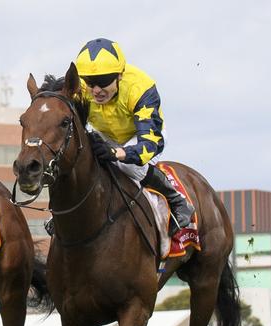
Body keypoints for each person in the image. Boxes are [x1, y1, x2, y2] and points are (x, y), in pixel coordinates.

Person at [74, 38, 194, 236]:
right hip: (106, 134)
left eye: (104, 82)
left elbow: (148, 145)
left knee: (126, 165)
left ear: (120, 75)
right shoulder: (81, 88)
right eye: (91, 83)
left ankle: (177, 200)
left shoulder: (140, 88)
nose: (96, 90)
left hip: (143, 136)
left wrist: (116, 153)